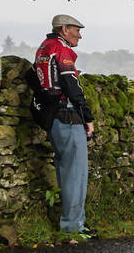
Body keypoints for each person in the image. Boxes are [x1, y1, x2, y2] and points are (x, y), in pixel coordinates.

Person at [34, 14, 95, 238]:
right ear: (64, 29)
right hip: (68, 115)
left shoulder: (43, 47)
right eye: (76, 30)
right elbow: (71, 84)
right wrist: (87, 116)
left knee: (65, 171)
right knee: (76, 175)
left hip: (52, 117)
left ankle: (73, 224)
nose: (79, 35)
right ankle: (74, 227)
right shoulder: (61, 50)